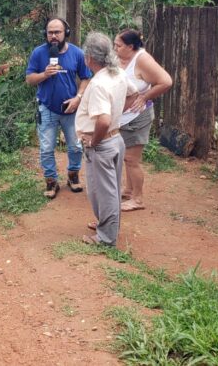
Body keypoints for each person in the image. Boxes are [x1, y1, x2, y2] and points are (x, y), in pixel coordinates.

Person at [77, 32, 138, 247]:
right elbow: (133, 95)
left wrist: (94, 142)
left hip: (102, 143)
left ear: (89, 58)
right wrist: (116, 114)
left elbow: (102, 120)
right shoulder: (118, 73)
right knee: (109, 189)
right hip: (116, 139)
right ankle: (107, 226)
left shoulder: (99, 83)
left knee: (104, 192)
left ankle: (106, 238)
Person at [26, 17, 92, 198]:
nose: (53, 36)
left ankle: (73, 176)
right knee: (47, 148)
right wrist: (44, 74)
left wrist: (78, 98)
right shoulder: (38, 53)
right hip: (47, 108)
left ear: (66, 33)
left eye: (57, 32)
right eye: (50, 32)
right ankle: (51, 182)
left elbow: (86, 77)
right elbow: (29, 79)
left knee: (76, 147)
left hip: (71, 109)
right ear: (45, 34)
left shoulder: (77, 53)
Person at [114, 29, 173, 212]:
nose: (115, 48)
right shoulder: (123, 58)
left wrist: (146, 96)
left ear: (131, 47)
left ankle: (138, 199)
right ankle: (129, 190)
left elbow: (166, 81)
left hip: (137, 118)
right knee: (126, 158)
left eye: (119, 45)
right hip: (124, 118)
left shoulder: (142, 59)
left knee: (132, 159)